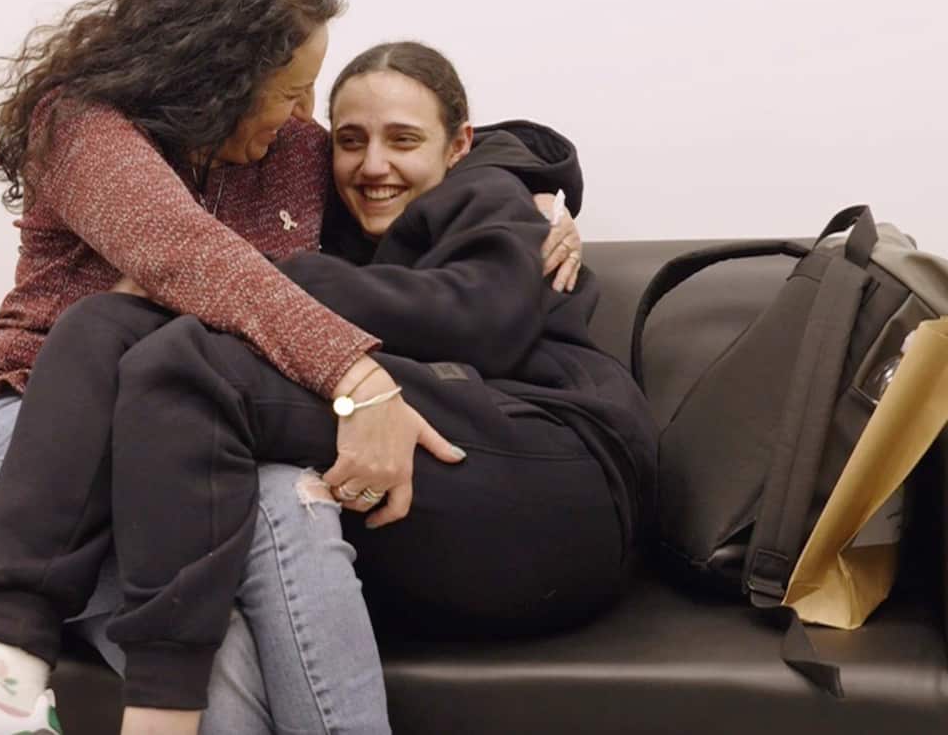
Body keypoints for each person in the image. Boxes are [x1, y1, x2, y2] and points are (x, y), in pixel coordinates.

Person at [0, 0, 583, 735]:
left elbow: (407, 148)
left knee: (292, 501)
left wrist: (525, 189)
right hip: (19, 436)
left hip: (180, 442)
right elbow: (191, 256)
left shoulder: (287, 150)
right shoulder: (82, 125)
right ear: (218, 78)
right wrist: (358, 377)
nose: (302, 115)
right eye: (289, 92)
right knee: (217, 652)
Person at [94, 41, 658, 729]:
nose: (374, 164)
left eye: (403, 140)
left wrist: (262, 277)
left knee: (190, 360)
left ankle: (109, 684)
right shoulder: (337, 220)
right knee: (186, 382)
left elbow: (481, 321)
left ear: (459, 146)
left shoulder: (489, 194)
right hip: (470, 491)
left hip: (560, 458)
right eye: (351, 141)